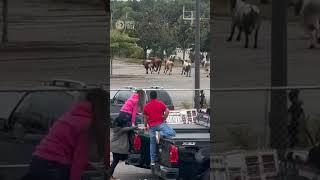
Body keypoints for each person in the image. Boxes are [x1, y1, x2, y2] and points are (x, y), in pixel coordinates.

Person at [21, 88, 107, 180]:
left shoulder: (70, 115)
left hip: (38, 160)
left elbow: (66, 147)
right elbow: (78, 158)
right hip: (55, 166)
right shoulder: (87, 124)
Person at [143, 90, 176, 166]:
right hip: (161, 124)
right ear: (156, 96)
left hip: (152, 127)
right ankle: (160, 134)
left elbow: (145, 118)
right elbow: (167, 111)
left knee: (152, 144)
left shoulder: (146, 106)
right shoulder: (160, 104)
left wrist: (145, 126)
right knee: (172, 132)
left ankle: (152, 161)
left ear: (150, 97)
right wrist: (164, 118)